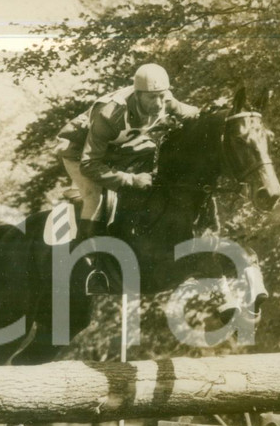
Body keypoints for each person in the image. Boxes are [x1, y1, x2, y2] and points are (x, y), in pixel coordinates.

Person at [55, 63, 200, 293]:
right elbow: (90, 164)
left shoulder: (166, 101)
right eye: (152, 98)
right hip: (77, 150)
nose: (159, 104)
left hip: (116, 148)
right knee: (95, 196)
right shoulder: (110, 114)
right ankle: (89, 266)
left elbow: (195, 113)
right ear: (138, 94)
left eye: (162, 97)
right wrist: (131, 180)